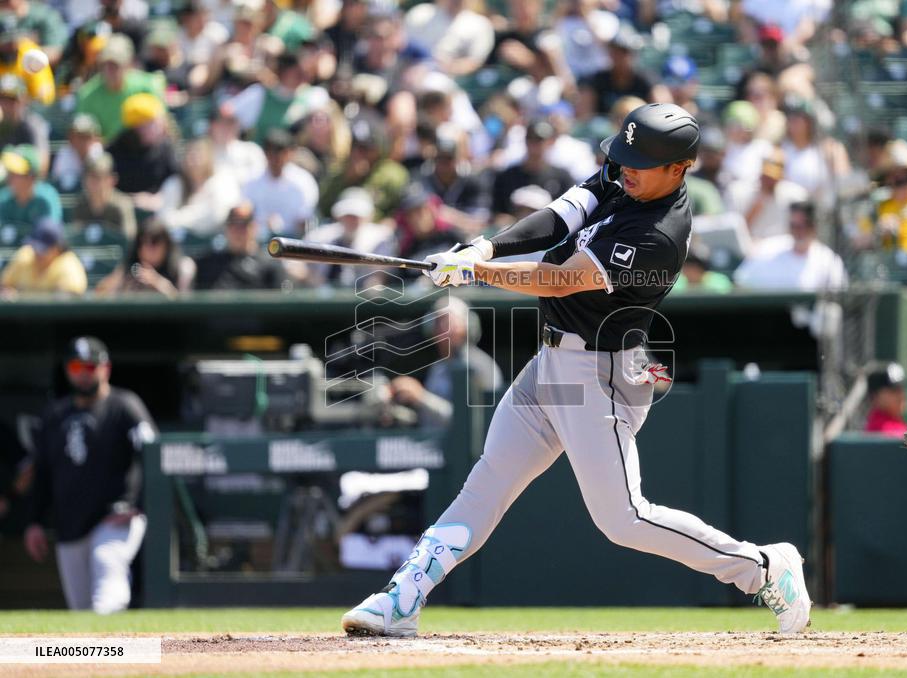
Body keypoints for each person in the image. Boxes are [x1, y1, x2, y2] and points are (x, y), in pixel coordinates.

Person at [341, 103, 811, 637]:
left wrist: (477, 272)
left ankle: (764, 569)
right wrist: (486, 245)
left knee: (624, 519)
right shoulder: (626, 179)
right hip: (551, 363)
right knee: (485, 485)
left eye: (641, 161)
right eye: (624, 156)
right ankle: (403, 599)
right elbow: (561, 215)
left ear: (680, 168)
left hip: (599, 376)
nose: (625, 167)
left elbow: (562, 279)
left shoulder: (659, 234)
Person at [23, 337, 155, 613]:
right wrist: (34, 521)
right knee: (81, 609)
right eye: (75, 366)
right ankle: (95, 654)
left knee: (106, 566)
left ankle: (112, 644)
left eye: (89, 366)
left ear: (105, 368)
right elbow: (43, 472)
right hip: (70, 524)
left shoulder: (124, 406)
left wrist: (142, 505)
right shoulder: (55, 415)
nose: (83, 373)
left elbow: (154, 454)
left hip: (115, 516)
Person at [388, 296, 503, 428]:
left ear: (467, 326)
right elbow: (430, 421)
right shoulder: (438, 367)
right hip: (433, 445)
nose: (444, 328)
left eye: (450, 322)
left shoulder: (479, 366)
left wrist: (420, 396)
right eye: (439, 322)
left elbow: (470, 422)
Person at [733, 201, 847, 291]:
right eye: (793, 225)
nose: (798, 231)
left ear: (814, 226)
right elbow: (741, 283)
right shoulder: (768, 248)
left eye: (803, 225)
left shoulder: (828, 260)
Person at [75, 33, 166, 143]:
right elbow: (84, 137)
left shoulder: (147, 86)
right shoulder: (87, 94)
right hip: (107, 154)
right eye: (105, 64)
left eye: (115, 65)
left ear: (128, 64)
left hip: (146, 150)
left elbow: (162, 124)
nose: (109, 70)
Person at [307, 187, 395, 287]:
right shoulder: (319, 237)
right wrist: (314, 281)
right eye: (347, 215)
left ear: (369, 216)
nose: (352, 220)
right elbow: (296, 265)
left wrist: (373, 286)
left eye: (357, 216)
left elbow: (378, 277)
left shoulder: (381, 239)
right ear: (338, 216)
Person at [105, 92, 179, 210]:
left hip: (158, 211)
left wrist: (160, 198)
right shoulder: (114, 151)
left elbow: (177, 182)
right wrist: (128, 201)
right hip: (122, 211)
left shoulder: (166, 148)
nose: (160, 126)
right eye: (151, 122)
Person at [492, 119, 574, 225]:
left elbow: (569, 214)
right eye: (531, 139)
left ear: (551, 141)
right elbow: (497, 213)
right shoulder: (507, 176)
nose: (535, 145)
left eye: (540, 140)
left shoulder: (562, 177)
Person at [242, 128, 319, 237]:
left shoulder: (304, 181)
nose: (275, 157)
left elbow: (304, 222)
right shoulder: (252, 179)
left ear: (290, 153)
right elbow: (245, 211)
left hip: (293, 240)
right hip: (257, 239)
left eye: (279, 152)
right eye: (270, 152)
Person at [193, 202, 287, 290]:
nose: (237, 230)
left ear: (254, 227)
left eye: (243, 224)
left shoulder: (269, 265)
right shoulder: (209, 263)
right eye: (232, 223)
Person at [156, 137, 242, 235]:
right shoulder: (174, 184)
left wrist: (181, 216)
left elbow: (217, 216)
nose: (194, 158)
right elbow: (164, 219)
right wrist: (197, 213)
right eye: (190, 152)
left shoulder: (223, 180)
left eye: (199, 152)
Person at [724, 147, 809, 241]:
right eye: (767, 176)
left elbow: (802, 232)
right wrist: (760, 202)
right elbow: (734, 235)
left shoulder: (796, 195)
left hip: (783, 250)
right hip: (751, 249)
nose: (770, 180)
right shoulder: (738, 191)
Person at [95, 218, 195, 298]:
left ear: (166, 245)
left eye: (154, 243)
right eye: (142, 243)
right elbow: (100, 293)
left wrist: (158, 283)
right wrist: (120, 287)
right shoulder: (128, 268)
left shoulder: (184, 267)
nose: (146, 250)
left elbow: (184, 305)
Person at [0, 217, 87, 295]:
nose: (37, 253)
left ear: (57, 248)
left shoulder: (69, 266)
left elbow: (71, 301)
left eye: (42, 249)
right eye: (35, 247)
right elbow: (4, 286)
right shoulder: (25, 254)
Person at [70, 152, 137, 243]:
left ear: (111, 179)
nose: (94, 182)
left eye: (99, 177)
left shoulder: (121, 206)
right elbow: (77, 239)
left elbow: (128, 241)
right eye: (90, 176)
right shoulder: (81, 204)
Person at [0, 144, 61, 228]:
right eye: (10, 172)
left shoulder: (45, 199)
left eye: (16, 173)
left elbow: (51, 236)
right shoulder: (4, 197)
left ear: (31, 177)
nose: (10, 177)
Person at [51, 113, 103, 195]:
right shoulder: (65, 153)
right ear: (70, 137)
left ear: (94, 138)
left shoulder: (99, 152)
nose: (82, 141)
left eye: (86, 136)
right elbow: (63, 185)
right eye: (78, 136)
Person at [864, 362, 907, 436]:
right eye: (894, 390)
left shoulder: (896, 423)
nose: (901, 395)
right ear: (875, 396)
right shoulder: (880, 428)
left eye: (902, 388)